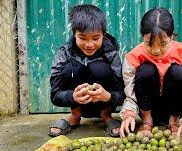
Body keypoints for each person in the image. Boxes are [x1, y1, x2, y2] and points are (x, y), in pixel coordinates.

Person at [119, 7, 182, 148]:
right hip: (147, 108)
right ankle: (147, 121)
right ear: (142, 37)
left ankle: (174, 122)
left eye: (163, 43)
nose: (156, 50)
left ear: (171, 36)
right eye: (149, 43)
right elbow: (131, 95)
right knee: (146, 70)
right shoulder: (133, 57)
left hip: (176, 108)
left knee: (178, 72)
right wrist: (128, 114)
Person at [48, 4, 125, 137]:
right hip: (76, 102)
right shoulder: (64, 52)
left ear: (103, 35)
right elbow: (55, 94)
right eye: (83, 38)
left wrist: (108, 96)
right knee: (70, 68)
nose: (89, 44)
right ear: (74, 34)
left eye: (95, 38)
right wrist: (72, 96)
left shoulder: (111, 53)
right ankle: (75, 115)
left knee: (99, 68)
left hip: (104, 101)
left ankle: (106, 116)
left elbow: (122, 94)